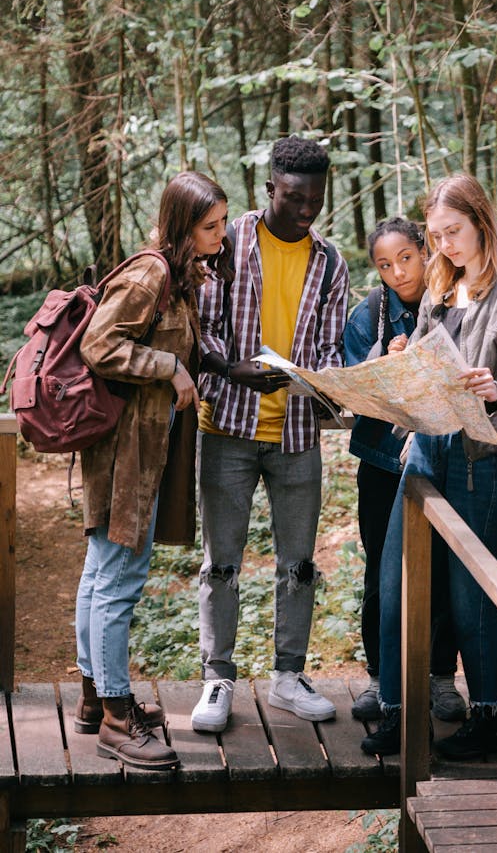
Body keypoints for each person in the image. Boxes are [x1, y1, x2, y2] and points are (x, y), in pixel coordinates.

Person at [361, 175, 497, 760]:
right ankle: (397, 712)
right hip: (423, 447)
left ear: (482, 222)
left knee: (475, 596)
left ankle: (492, 714)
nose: (445, 246)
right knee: (395, 584)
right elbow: (422, 359)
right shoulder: (439, 288)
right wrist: (399, 361)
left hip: (479, 453)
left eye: (454, 232)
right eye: (436, 235)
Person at [191, 135, 349, 732]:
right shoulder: (227, 243)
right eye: (294, 198)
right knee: (221, 564)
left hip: (298, 434)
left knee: (298, 563)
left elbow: (330, 347)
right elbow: (200, 327)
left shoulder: (331, 262)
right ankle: (217, 680)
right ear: (269, 190)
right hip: (228, 427)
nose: (306, 210)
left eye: (315, 199)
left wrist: (332, 379)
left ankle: (288, 676)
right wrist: (231, 368)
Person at [75, 171, 229, 770]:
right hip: (126, 455)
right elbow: (98, 344)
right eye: (210, 227)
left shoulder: (178, 274)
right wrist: (168, 365)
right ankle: (116, 719)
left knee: (101, 573)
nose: (220, 235)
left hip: (139, 449)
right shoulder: (151, 274)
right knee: (118, 579)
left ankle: (96, 699)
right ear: (182, 226)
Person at [343, 217, 465, 724]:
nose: (398, 273)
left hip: (442, 455)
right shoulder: (367, 314)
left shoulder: (457, 298)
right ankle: (380, 677)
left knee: (443, 568)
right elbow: (353, 386)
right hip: (382, 462)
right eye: (385, 265)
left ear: (425, 248)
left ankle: (440, 678)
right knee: (380, 571)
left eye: (406, 259)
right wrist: (384, 358)